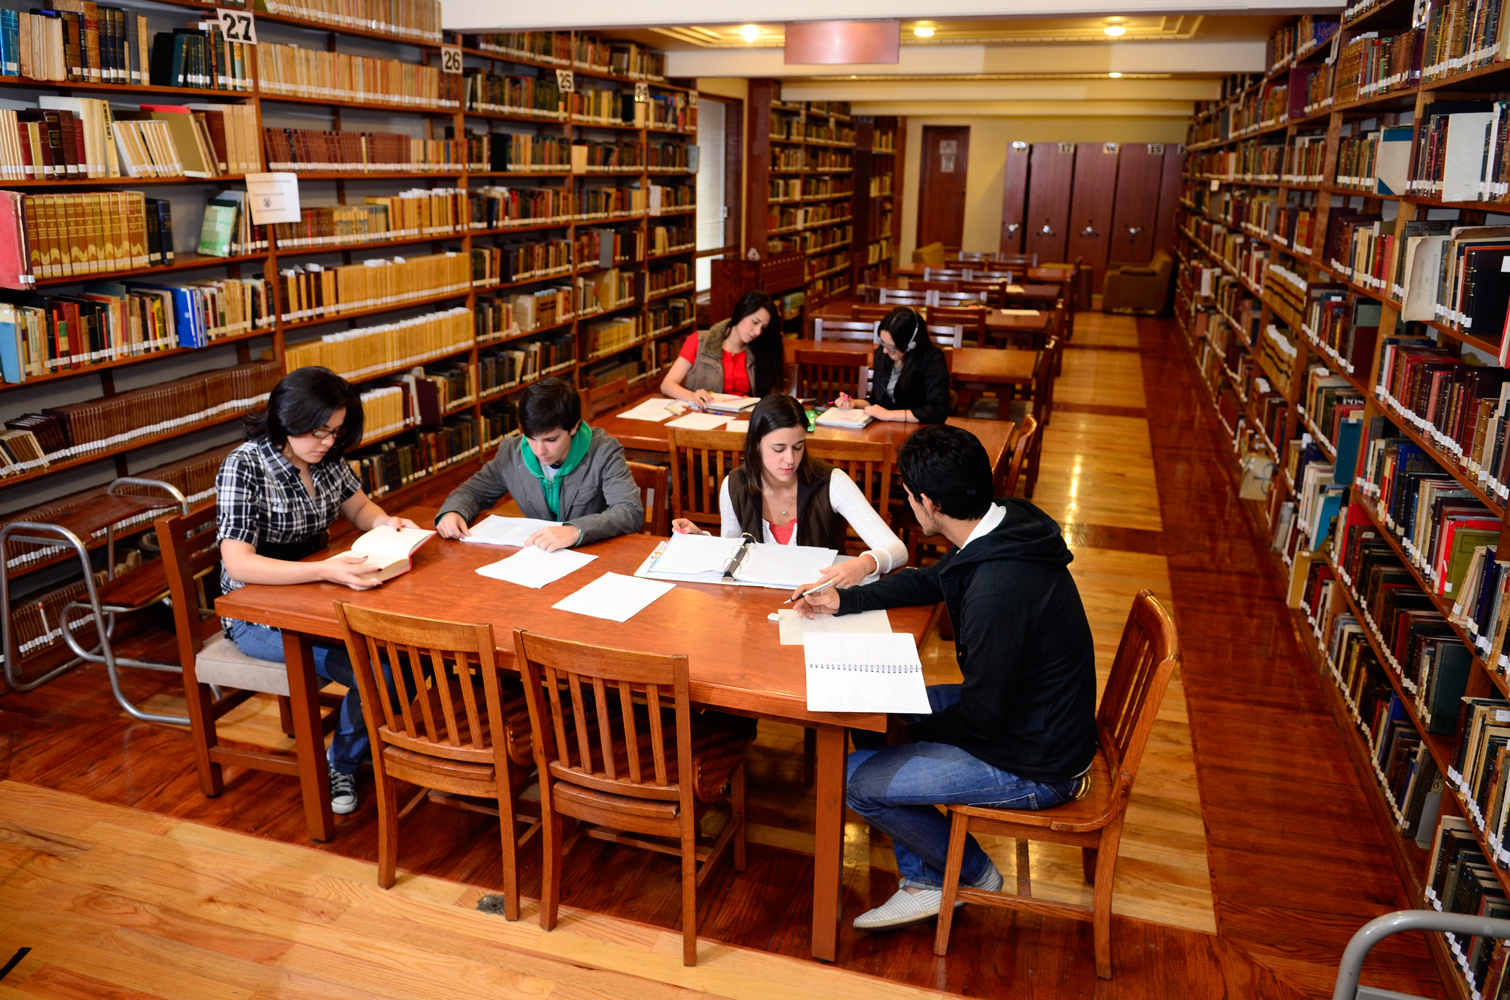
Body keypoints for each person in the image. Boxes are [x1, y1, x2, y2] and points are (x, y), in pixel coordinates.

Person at [793, 424, 1098, 932]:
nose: (909, 506)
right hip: (1034, 716)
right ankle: (926, 875)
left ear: (928, 503)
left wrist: (910, 732)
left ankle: (968, 874)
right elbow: (937, 577)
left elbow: (981, 717)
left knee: (855, 777)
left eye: (909, 497)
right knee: (880, 717)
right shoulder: (1003, 523)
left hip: (1039, 761)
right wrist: (846, 598)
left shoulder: (997, 592)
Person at [216, 366, 424, 816]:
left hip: (318, 596)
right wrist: (324, 571)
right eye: (317, 431)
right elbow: (239, 563)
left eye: (334, 431)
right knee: (383, 668)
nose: (327, 442)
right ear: (286, 418)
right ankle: (342, 762)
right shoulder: (245, 465)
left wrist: (386, 523)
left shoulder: (326, 458)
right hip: (259, 615)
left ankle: (365, 736)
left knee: (408, 654)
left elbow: (360, 507)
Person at [670, 393, 905, 590]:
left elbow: (896, 549)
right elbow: (733, 551)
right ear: (756, 444)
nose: (790, 459)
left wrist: (865, 563)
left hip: (820, 599)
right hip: (759, 602)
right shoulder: (735, 485)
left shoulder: (831, 482)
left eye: (798, 446)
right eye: (779, 449)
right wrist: (701, 539)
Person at [435, 377, 642, 549]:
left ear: (574, 427)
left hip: (594, 555)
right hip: (537, 558)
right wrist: (454, 511)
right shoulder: (512, 453)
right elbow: (473, 491)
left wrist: (575, 530)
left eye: (551, 440)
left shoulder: (603, 451)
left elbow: (629, 511)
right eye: (531, 438)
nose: (539, 451)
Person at [660, 290, 782, 408]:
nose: (757, 332)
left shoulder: (761, 351)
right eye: (755, 322)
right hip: (704, 418)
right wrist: (692, 396)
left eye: (763, 328)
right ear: (741, 312)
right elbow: (667, 385)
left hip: (745, 422)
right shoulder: (700, 341)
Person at [842, 307, 951, 424]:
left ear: (911, 345)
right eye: (882, 342)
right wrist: (855, 403)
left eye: (891, 347)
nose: (885, 350)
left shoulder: (932, 359)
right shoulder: (884, 354)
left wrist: (889, 415)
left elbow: (938, 411)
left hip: (920, 431)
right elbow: (877, 401)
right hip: (886, 428)